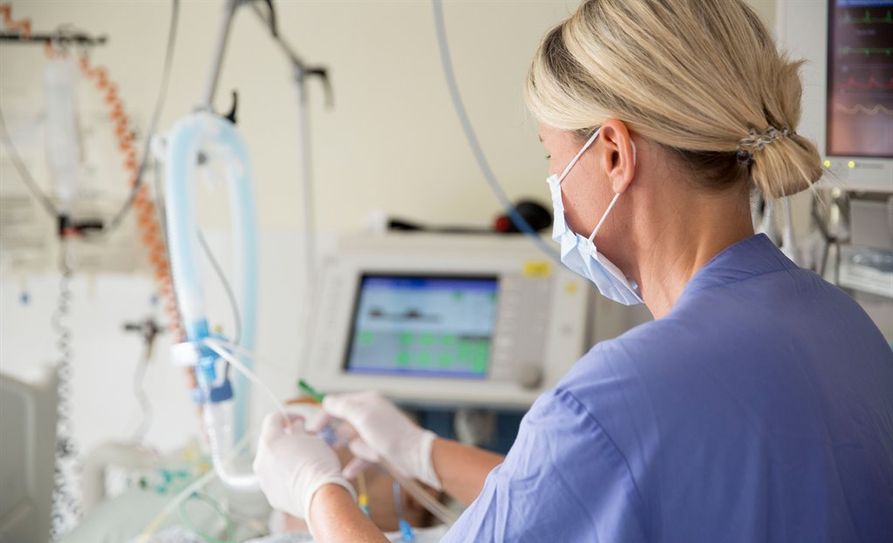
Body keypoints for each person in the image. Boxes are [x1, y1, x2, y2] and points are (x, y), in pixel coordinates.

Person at [253, 0, 893, 541]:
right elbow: (591, 490)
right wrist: (422, 453)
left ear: (614, 152)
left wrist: (317, 490)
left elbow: (601, 455)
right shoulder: (844, 325)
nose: (554, 185)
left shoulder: (615, 396)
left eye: (552, 155)